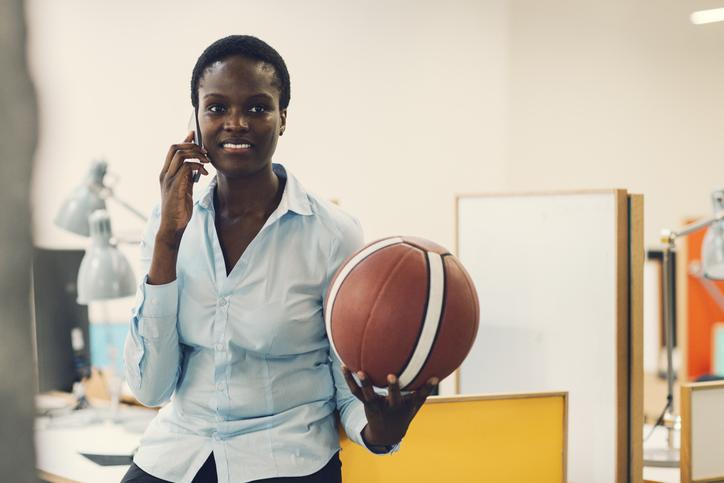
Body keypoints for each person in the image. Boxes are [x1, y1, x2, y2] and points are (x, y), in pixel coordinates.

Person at [121, 35, 437, 483]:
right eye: (215, 108)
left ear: (282, 118)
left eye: (256, 107)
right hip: (178, 453)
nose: (235, 123)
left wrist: (379, 432)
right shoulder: (168, 222)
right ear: (195, 117)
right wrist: (166, 244)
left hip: (285, 458)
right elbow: (150, 388)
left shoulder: (332, 234)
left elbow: (344, 381)